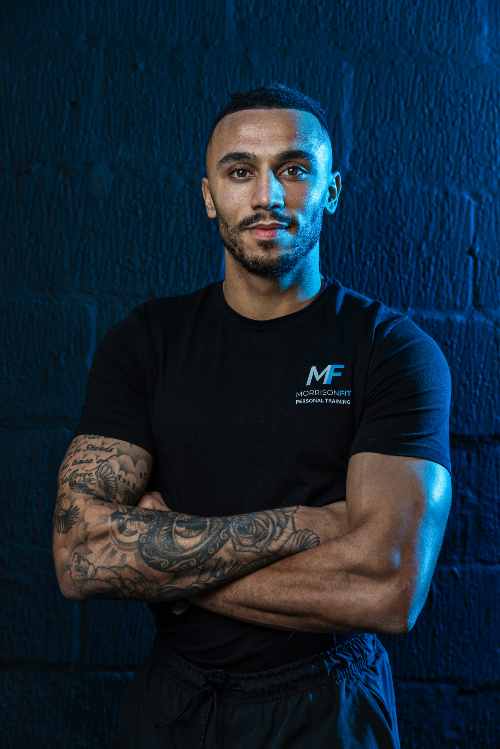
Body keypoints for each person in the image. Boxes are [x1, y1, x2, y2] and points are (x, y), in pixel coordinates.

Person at [52, 83, 452, 749]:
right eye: (240, 172)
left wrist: (167, 564)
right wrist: (310, 526)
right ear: (209, 195)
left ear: (331, 190)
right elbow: (79, 556)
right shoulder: (145, 343)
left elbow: (388, 587)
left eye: (293, 169)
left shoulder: (392, 350)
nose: (267, 196)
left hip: (326, 701)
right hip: (175, 703)